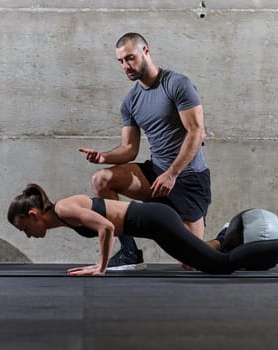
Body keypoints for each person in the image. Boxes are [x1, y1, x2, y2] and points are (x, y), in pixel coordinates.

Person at [79, 32, 212, 271]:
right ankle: (130, 252)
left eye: (130, 58)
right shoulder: (131, 102)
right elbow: (129, 149)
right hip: (155, 174)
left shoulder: (177, 84)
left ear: (146, 52)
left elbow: (197, 133)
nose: (125, 66)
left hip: (188, 177)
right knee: (102, 179)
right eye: (120, 61)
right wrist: (105, 157)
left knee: (191, 262)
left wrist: (172, 174)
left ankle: (229, 238)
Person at [7, 184, 278, 277]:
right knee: (207, 262)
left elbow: (104, 227)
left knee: (220, 266)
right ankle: (226, 239)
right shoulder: (62, 213)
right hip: (155, 223)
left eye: (24, 228)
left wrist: (100, 268)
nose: (27, 235)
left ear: (34, 214)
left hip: (156, 220)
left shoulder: (63, 209)